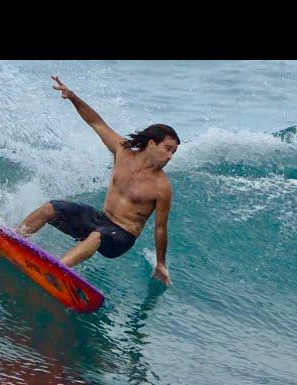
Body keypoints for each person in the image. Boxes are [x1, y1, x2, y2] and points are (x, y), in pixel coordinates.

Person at [17, 76, 179, 286]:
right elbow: (96, 122)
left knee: (97, 236)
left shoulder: (162, 187)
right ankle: (14, 240)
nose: (170, 157)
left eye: (173, 152)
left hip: (121, 238)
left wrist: (161, 264)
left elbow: (160, 228)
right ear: (151, 144)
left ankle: (55, 271)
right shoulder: (123, 151)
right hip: (101, 220)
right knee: (50, 208)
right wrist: (73, 97)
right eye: (167, 149)